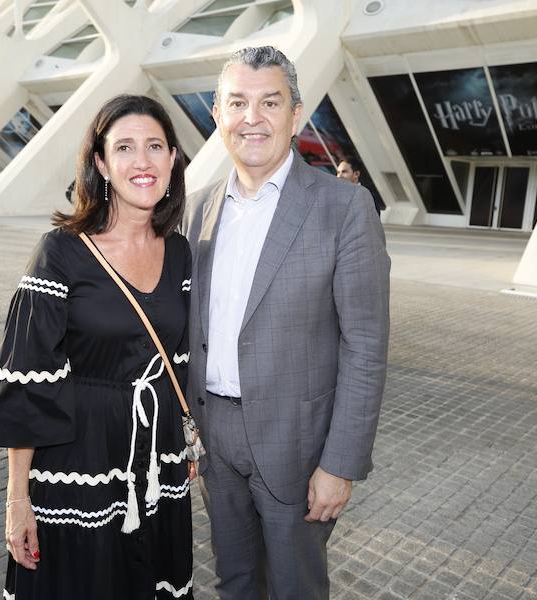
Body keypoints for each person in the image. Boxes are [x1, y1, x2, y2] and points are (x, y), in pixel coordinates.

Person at [181, 46, 391, 600]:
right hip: (214, 438)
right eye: (238, 103)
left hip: (298, 448)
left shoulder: (345, 208)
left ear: (295, 115)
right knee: (235, 580)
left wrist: (340, 464)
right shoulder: (195, 209)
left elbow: (365, 347)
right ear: (218, 117)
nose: (253, 118)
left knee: (295, 586)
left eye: (269, 102)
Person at [0, 94, 195, 600]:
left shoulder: (181, 253)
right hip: (75, 460)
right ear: (101, 163)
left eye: (154, 146)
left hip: (154, 462)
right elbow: (26, 379)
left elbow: (181, 357)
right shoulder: (61, 250)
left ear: (173, 158)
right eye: (124, 148)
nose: (142, 161)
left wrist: (184, 434)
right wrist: (18, 498)